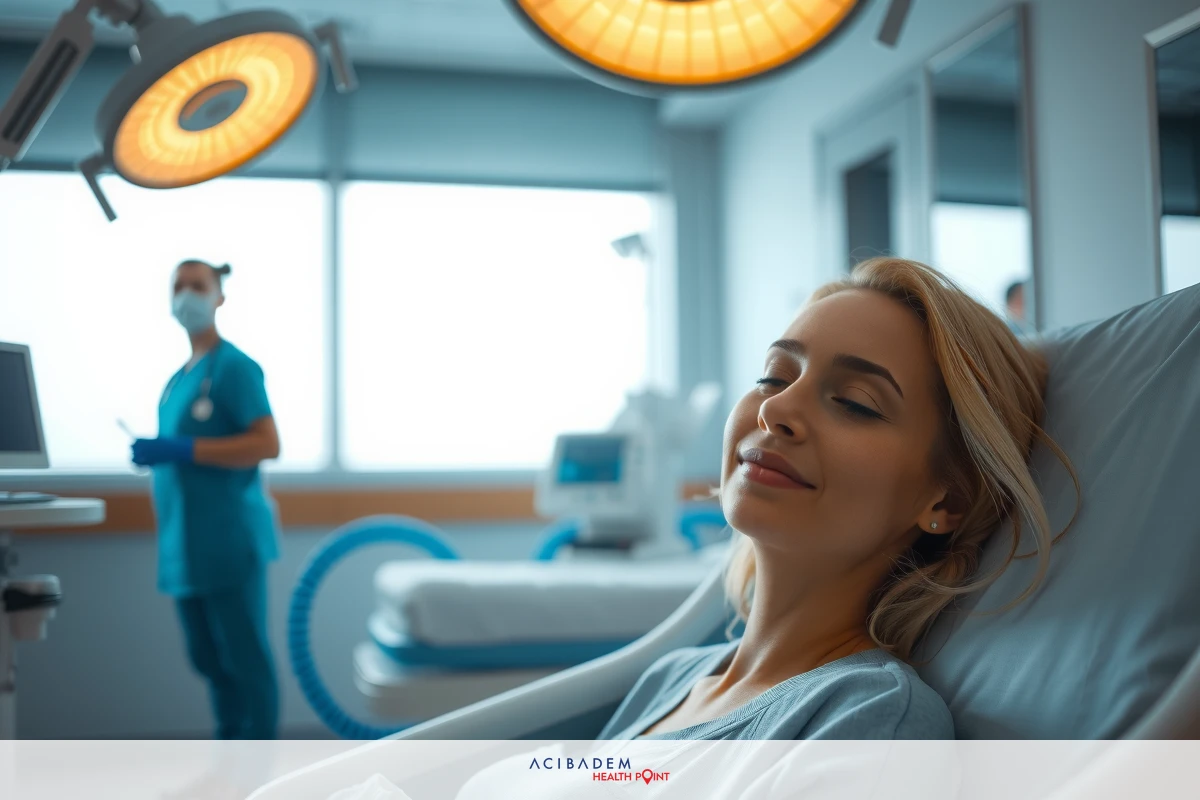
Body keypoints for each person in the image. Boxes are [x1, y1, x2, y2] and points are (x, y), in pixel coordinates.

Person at [595, 257, 1075, 740]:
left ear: (946, 502)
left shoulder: (870, 717)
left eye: (855, 403)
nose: (776, 408)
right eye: (773, 378)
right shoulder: (669, 680)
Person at [131, 258, 282, 740]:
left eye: (198, 285)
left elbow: (267, 444)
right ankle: (229, 766)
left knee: (245, 660)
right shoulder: (178, 380)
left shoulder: (234, 368)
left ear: (219, 296)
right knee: (209, 660)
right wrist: (160, 455)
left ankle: (260, 778)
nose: (187, 294)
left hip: (228, 540)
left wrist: (184, 448)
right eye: (179, 285)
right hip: (185, 543)